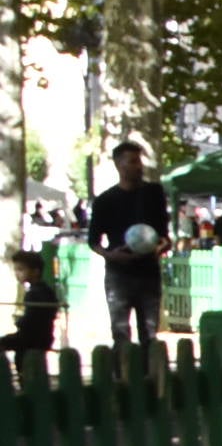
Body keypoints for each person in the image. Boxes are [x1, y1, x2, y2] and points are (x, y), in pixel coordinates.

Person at [86, 139, 169, 345]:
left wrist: (161, 246)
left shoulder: (154, 194)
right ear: (118, 165)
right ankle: (122, 374)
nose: (138, 166)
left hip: (149, 271)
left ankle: (150, 373)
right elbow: (93, 241)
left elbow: (164, 234)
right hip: (119, 275)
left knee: (149, 333)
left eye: (139, 161)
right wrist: (112, 255)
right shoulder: (105, 201)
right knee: (121, 331)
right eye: (132, 161)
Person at [5, 250, 59, 356]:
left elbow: (31, 320)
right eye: (16, 270)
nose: (17, 273)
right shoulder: (46, 290)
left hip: (33, 339)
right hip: (44, 337)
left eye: (21, 269)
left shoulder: (34, 293)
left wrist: (19, 322)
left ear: (35, 271)